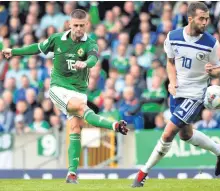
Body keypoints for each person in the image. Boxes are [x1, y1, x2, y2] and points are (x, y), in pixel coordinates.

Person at [2, 9, 129, 184]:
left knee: (76, 129)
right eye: (75, 25)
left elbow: (93, 59)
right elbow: (37, 48)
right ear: (69, 24)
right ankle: (114, 125)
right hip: (58, 88)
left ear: (86, 25)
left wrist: (84, 63)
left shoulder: (90, 44)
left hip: (79, 91)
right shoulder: (57, 39)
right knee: (82, 109)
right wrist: (14, 52)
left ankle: (71, 174)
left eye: (81, 25)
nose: (78, 29)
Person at [132, 2, 220, 187]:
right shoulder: (173, 37)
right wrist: (171, 81)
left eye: (207, 18)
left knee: (168, 133)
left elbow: (219, 71)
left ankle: (142, 173)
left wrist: (213, 71)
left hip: (196, 95)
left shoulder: (211, 43)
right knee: (185, 135)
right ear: (190, 18)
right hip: (177, 92)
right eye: (202, 18)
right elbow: (170, 62)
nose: (205, 22)